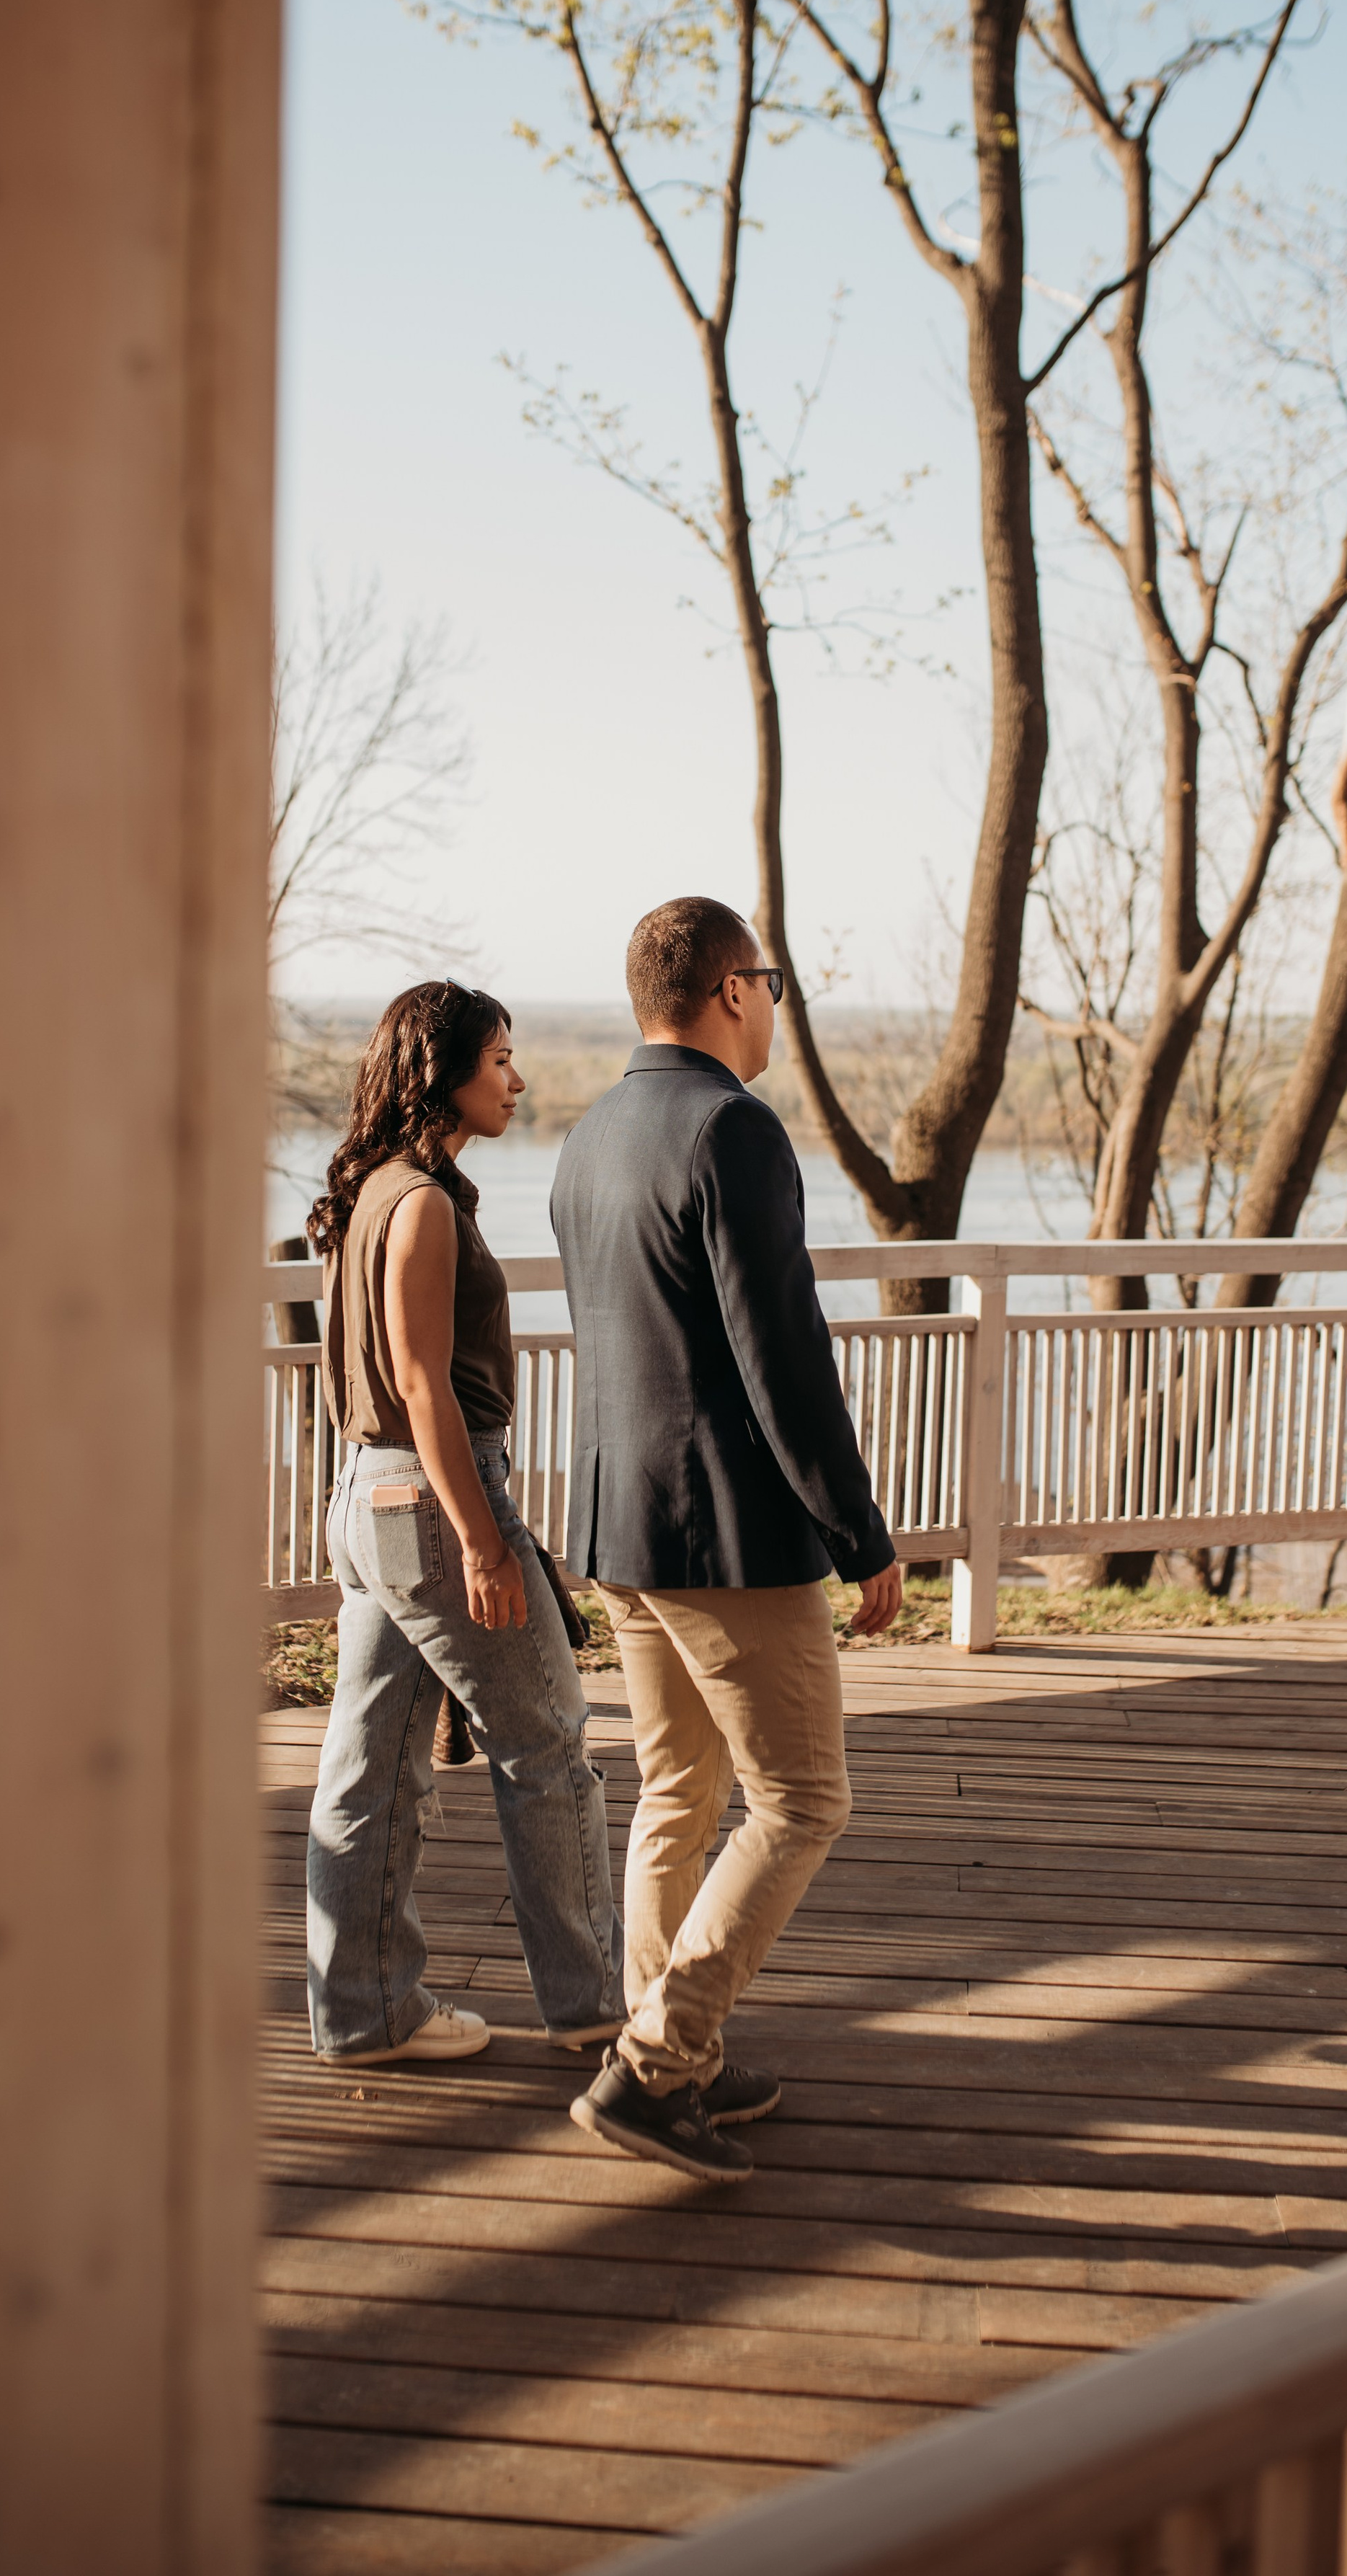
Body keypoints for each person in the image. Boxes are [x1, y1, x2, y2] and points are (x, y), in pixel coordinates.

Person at [552, 898, 902, 2181]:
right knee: (804, 1798)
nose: (774, 1008)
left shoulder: (588, 1136)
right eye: (767, 982)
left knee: (679, 1796)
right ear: (730, 991)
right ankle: (655, 2068)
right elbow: (783, 1362)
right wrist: (857, 1530)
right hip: (726, 1539)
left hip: (621, 1527)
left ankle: (668, 2055)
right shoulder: (733, 1132)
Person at [303, 980, 623, 2065]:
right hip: (438, 1505)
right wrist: (486, 1543)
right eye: (499, 1060)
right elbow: (425, 1384)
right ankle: (593, 2009)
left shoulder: (372, 1194)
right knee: (548, 1745)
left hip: (368, 1497)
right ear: (442, 1074)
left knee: (372, 1765)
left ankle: (366, 2013)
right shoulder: (426, 1206)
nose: (517, 1080)